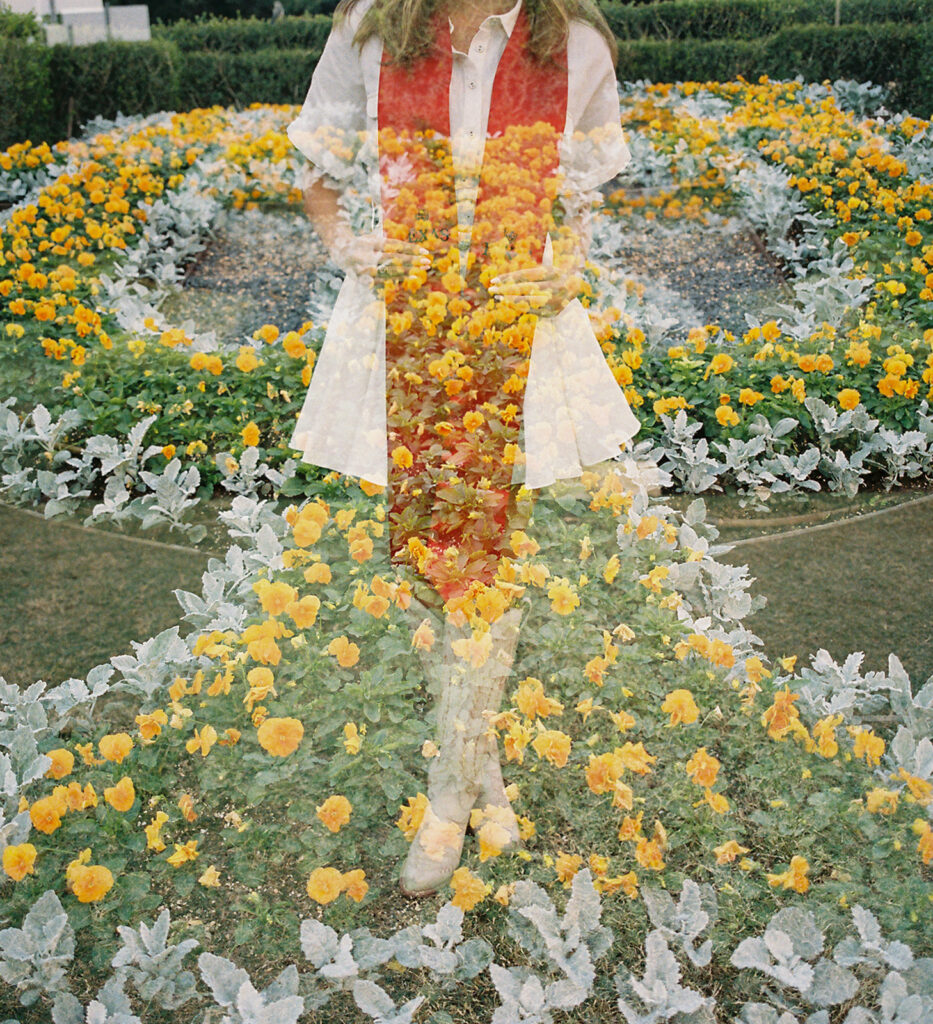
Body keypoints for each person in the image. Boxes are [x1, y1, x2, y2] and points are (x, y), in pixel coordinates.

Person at [285, 0, 642, 897]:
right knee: (429, 559)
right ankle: (478, 773)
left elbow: (582, 196)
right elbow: (315, 174)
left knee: (493, 562)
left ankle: (448, 796)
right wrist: (348, 245)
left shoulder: (577, 44)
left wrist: (569, 265)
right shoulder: (369, 30)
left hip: (522, 332)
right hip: (404, 324)